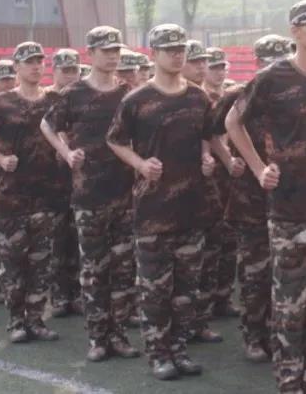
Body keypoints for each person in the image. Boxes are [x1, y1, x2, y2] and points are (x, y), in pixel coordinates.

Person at [226, 0, 306, 394]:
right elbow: (233, 121)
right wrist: (258, 168)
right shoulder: (272, 78)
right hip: (289, 209)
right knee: (289, 303)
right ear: (295, 31)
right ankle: (288, 382)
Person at [107, 24, 219, 381]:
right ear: (153, 53)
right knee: (155, 289)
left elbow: (207, 134)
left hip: (191, 206)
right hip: (153, 210)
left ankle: (179, 350)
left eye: (181, 49)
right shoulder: (137, 100)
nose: (177, 55)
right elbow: (115, 140)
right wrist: (140, 164)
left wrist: (207, 156)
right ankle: (159, 354)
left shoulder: (198, 97)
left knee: (187, 289)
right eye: (169, 50)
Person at [42, 27, 140, 362]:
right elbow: (48, 125)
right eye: (106, 51)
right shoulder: (75, 93)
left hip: (124, 192)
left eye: (116, 50)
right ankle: (98, 338)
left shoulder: (128, 93)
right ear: (91, 53)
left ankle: (120, 335)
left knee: (123, 270)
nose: (113, 56)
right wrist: (67, 152)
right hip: (88, 195)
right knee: (95, 269)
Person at [0, 42, 61, 343]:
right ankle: (16, 322)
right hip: (10, 196)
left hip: (45, 194)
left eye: (40, 61)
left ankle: (36, 319)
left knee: (40, 262)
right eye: (29, 62)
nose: (36, 66)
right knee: (13, 263)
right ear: (17, 67)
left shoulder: (54, 100)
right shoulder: (1, 103)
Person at [211, 34, 293, 363]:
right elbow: (212, 131)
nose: (276, 67)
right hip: (250, 200)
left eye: (282, 60)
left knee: (287, 273)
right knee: (255, 273)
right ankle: (254, 336)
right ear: (258, 62)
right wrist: (228, 158)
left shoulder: (295, 95)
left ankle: (279, 335)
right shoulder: (238, 95)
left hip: (291, 199)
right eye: (270, 61)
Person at [195, 46, 240, 340]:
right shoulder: (199, 98)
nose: (219, 72)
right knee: (210, 242)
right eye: (214, 67)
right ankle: (206, 300)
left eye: (222, 66)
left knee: (229, 239)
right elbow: (207, 136)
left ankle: (223, 296)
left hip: (231, 174)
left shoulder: (231, 94)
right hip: (210, 175)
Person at [48, 48, 82, 318]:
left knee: (79, 241)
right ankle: (60, 296)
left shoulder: (82, 97)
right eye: (65, 70)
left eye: (74, 70)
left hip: (81, 180)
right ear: (55, 71)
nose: (70, 76)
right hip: (52, 181)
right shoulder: (46, 99)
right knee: (57, 241)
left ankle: (78, 294)